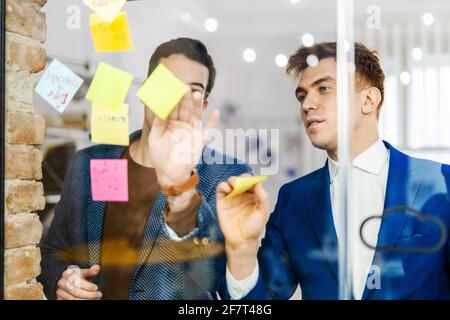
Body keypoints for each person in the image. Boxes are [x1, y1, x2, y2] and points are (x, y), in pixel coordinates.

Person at [217, 42, 450, 300]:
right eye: (302, 96)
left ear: (369, 100)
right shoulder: (293, 199)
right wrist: (241, 250)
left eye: (324, 89)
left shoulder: (441, 183)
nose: (307, 105)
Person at [38, 38, 252, 300]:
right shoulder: (91, 162)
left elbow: (223, 283)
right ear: (145, 91)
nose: (180, 100)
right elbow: (53, 248)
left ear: (203, 106)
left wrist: (182, 190)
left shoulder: (226, 175)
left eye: (195, 90)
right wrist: (64, 278)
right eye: (168, 84)